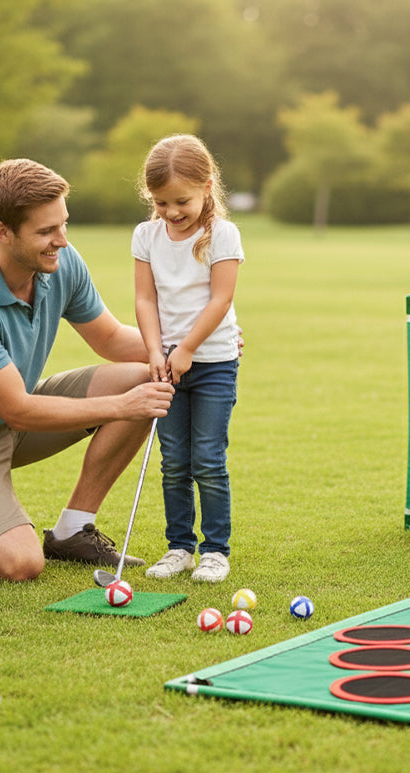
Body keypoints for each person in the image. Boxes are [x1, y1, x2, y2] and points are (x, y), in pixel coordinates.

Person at [0, 158, 175, 581]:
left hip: (16, 412)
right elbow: (18, 411)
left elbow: (110, 339)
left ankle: (73, 530)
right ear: (2, 232)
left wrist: (190, 345)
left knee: (143, 374)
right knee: (20, 565)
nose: (61, 240)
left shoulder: (61, 262)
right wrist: (123, 406)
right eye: (45, 231)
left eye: (63, 225)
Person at [133, 134, 244, 584]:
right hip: (166, 363)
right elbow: (144, 299)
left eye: (181, 201)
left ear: (207, 186)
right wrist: (157, 351)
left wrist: (187, 350)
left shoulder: (223, 234)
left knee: (208, 459)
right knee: (173, 459)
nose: (171, 212)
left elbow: (220, 300)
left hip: (213, 362)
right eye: (161, 203)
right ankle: (179, 546)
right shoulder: (146, 235)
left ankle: (215, 550)